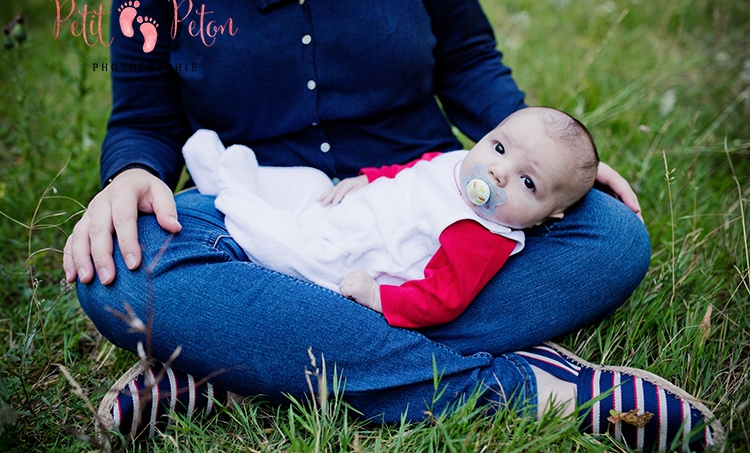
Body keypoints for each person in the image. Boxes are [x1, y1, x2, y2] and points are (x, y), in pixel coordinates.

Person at [64, 0, 722, 453]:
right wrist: (130, 174)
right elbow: (144, 117)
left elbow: (467, 59)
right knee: (121, 269)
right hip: (265, 213)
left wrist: (535, 165)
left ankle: (237, 362)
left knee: (612, 236)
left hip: (430, 218)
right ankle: (528, 388)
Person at [182, 107, 598, 328]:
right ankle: (232, 174)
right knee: (310, 181)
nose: (498, 172)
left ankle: (233, 199)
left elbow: (442, 299)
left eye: (527, 183)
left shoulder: (481, 234)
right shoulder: (464, 160)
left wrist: (379, 297)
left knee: (292, 250)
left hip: (352, 255)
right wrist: (369, 179)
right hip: (342, 209)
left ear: (552, 213)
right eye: (500, 148)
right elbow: (422, 167)